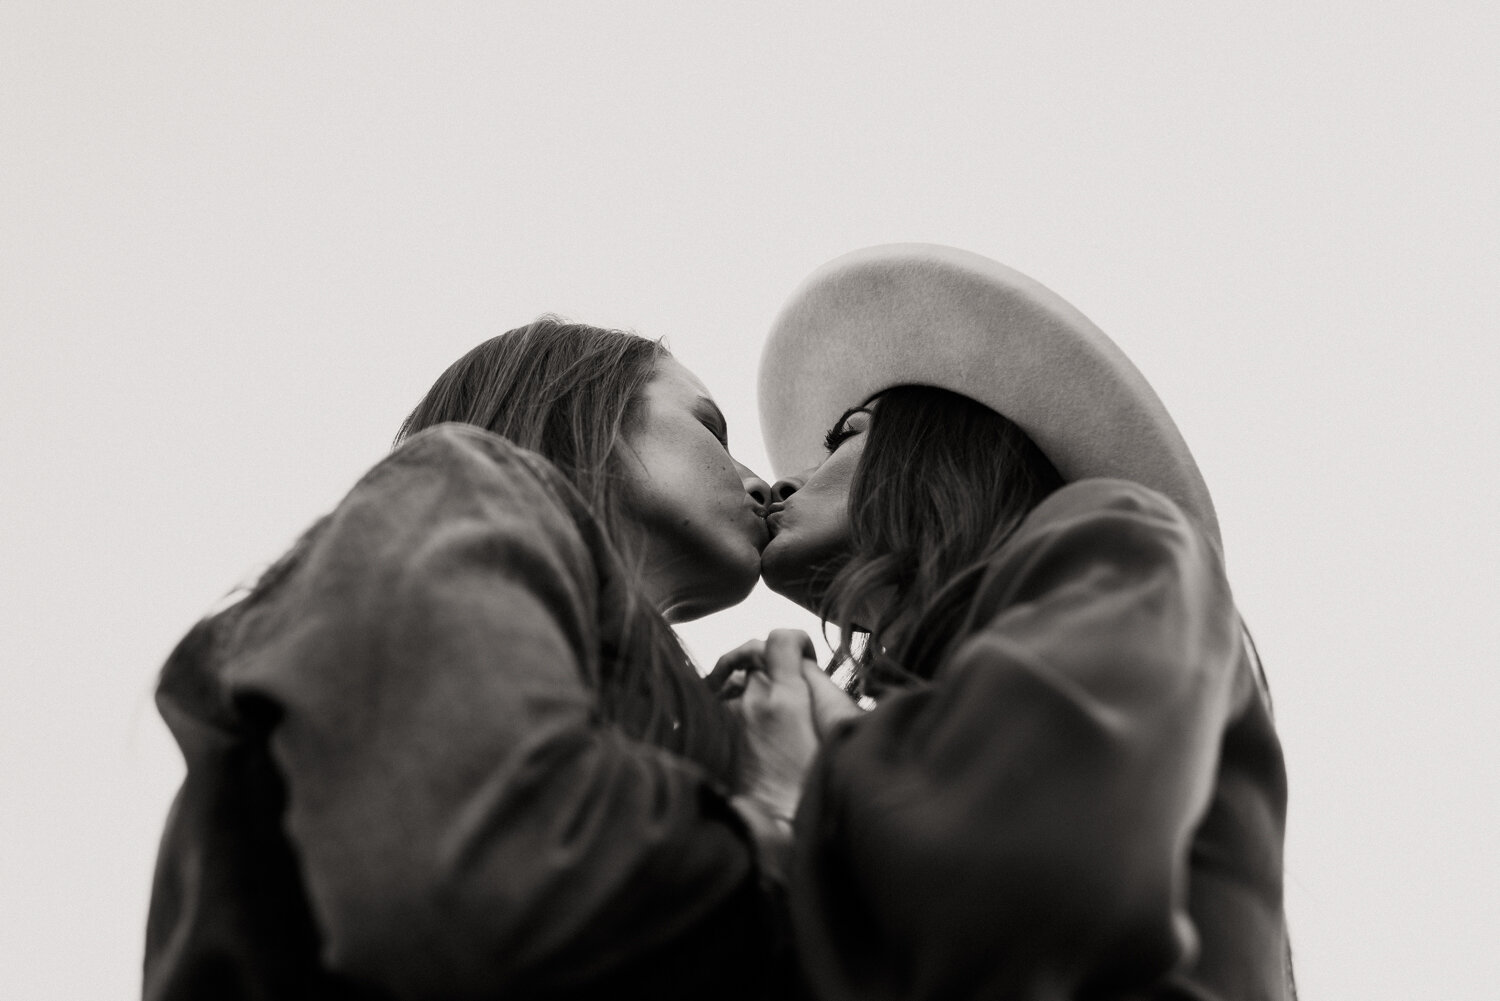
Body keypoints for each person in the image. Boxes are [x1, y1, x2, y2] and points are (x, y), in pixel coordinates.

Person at [143, 318, 814, 1000]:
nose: (762, 483)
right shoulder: (458, 485)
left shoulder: (654, 734)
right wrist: (777, 826)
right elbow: (498, 875)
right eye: (713, 430)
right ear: (593, 410)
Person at [740, 245, 1292, 1000]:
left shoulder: (1122, 535)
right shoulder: (933, 711)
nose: (785, 478)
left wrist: (809, 771)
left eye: (845, 437)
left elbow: (1028, 872)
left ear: (934, 451)